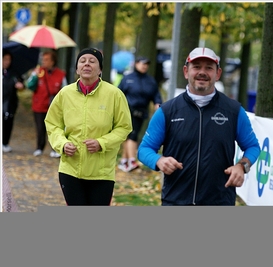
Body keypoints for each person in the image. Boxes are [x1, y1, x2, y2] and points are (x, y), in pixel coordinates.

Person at [137, 47, 260, 206]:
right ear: (186, 71)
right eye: (196, 67)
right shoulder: (167, 111)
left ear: (218, 74)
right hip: (175, 201)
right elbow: (144, 149)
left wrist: (242, 166)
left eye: (209, 68)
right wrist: (158, 160)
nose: (202, 72)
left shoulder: (234, 111)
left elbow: (253, 146)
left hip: (219, 201)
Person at [44, 48, 132, 206]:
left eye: (92, 61)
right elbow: (52, 124)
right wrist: (62, 145)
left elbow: (124, 127)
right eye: (82, 61)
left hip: (101, 173)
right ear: (77, 68)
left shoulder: (115, 94)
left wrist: (102, 143)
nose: (87, 64)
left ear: (100, 69)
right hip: (70, 169)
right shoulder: (65, 94)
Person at [117, 56, 163, 172]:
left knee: (131, 135)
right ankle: (132, 160)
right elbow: (118, 94)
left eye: (147, 64)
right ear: (136, 64)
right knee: (132, 134)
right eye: (142, 63)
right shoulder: (127, 78)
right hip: (128, 111)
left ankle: (124, 161)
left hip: (142, 112)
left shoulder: (150, 81)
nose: (144, 66)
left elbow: (156, 95)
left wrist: (158, 104)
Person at [27, 50, 67, 158]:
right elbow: (29, 86)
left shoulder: (60, 74)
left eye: (46, 60)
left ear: (53, 61)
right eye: (43, 59)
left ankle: (55, 149)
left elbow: (65, 90)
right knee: (40, 128)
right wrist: (34, 76)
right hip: (39, 105)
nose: (44, 62)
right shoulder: (38, 72)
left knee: (55, 128)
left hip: (54, 106)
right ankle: (39, 148)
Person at [2, 50, 25, 153]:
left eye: (9, 59)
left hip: (10, 102)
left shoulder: (14, 73)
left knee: (8, 122)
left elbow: (21, 83)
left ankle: (5, 143)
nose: (7, 62)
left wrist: (20, 86)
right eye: (4, 59)